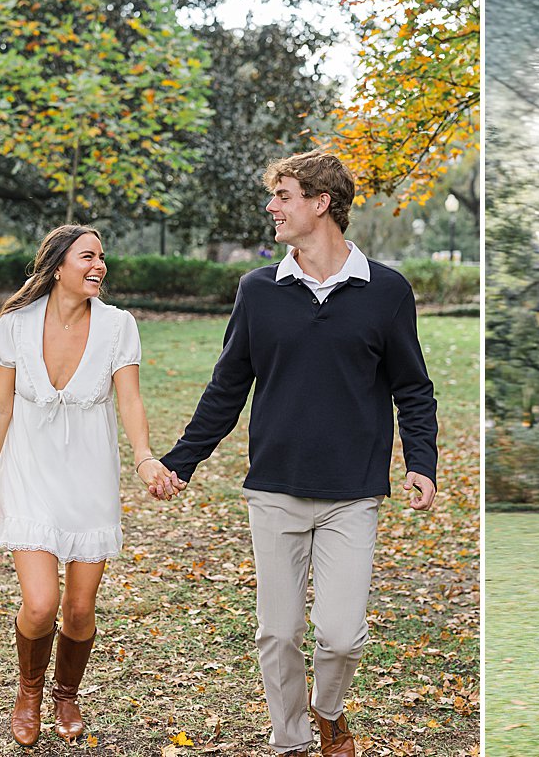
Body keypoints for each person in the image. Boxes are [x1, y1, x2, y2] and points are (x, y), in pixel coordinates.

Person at [158, 149, 439, 757]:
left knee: (340, 637)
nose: (272, 206)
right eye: (274, 195)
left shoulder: (386, 290)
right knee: (277, 634)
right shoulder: (258, 290)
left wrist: (421, 462)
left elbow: (412, 386)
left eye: (283, 195)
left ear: (322, 203)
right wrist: (181, 461)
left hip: (353, 493)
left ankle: (329, 711)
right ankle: (291, 741)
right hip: (275, 490)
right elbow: (228, 385)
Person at [0, 225, 180, 746]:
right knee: (42, 604)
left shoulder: (118, 326)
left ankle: (66, 695)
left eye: (102, 258)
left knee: (81, 610)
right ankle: (28, 693)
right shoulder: (15, 327)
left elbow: (130, 400)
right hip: (28, 475)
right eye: (88, 256)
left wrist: (143, 458)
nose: (100, 266)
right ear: (58, 265)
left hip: (90, 477)